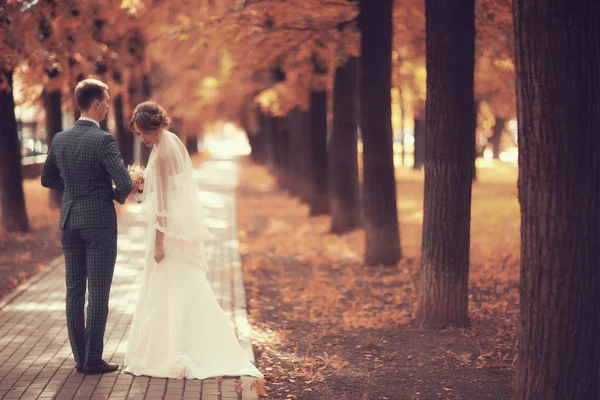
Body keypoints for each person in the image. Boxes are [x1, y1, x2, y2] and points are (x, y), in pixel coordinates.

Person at [124, 101, 263, 380]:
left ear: (155, 127)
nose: (142, 139)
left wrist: (159, 243)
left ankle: (175, 351)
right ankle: (188, 344)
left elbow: (162, 207)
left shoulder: (162, 154)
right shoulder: (172, 142)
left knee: (170, 286)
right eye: (139, 135)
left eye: (143, 134)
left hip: (168, 232)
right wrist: (144, 183)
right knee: (181, 286)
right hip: (179, 228)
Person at [41, 79, 133, 375]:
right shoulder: (103, 140)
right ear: (95, 103)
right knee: (98, 293)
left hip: (69, 222)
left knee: (73, 291)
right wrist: (108, 196)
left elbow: (47, 178)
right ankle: (93, 358)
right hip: (99, 225)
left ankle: (80, 358)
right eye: (106, 101)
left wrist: (73, 190)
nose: (107, 106)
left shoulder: (60, 139)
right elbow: (126, 182)